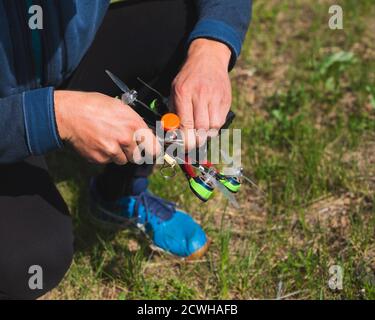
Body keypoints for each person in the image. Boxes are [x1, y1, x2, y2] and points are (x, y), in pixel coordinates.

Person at [0, 0, 252, 299]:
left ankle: (118, 193)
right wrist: (51, 117)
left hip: (66, 62)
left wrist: (211, 48)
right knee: (31, 258)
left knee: (183, 24)